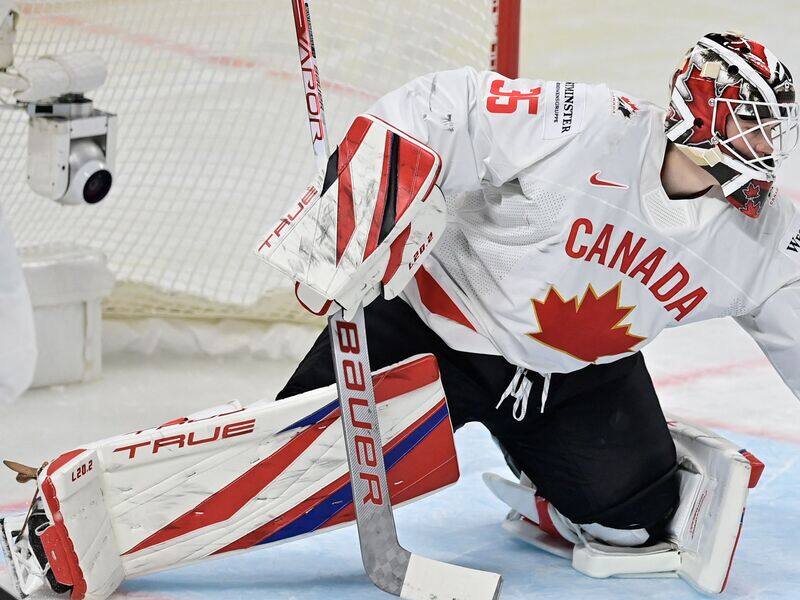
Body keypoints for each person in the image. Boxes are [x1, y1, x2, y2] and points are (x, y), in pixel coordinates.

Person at [277, 30, 800, 553]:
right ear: (701, 110)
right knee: (287, 475)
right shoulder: (590, 125)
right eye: (751, 123)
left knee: (636, 525)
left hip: (577, 380)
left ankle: (542, 474)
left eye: (772, 130)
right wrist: (347, 221)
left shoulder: (762, 234)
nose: (764, 146)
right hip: (432, 331)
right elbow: (445, 107)